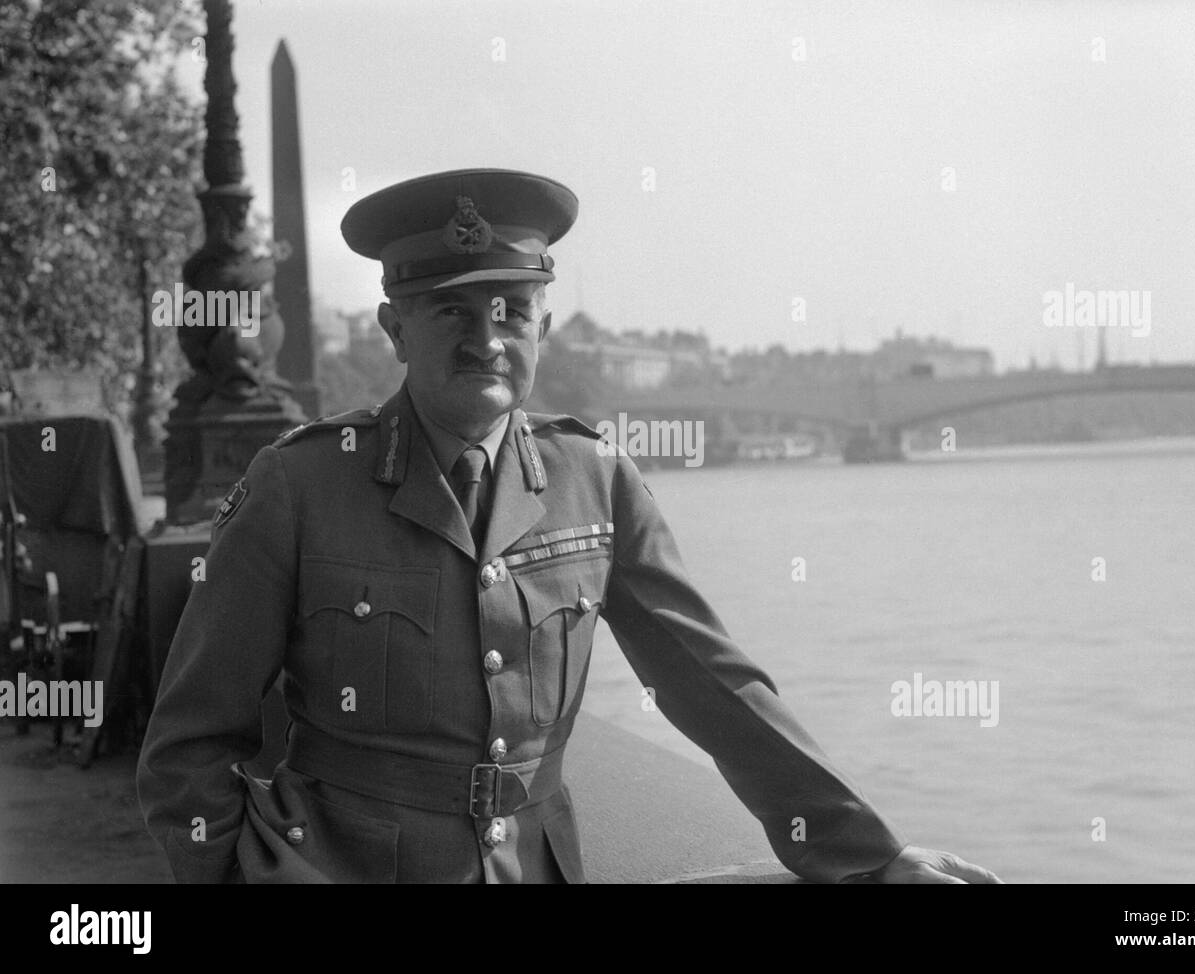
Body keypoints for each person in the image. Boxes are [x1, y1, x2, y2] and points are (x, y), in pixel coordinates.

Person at [137, 168, 1001, 884]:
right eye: (453, 313)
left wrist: (870, 859)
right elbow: (189, 746)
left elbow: (713, 689)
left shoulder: (597, 481)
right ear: (396, 329)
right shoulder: (300, 486)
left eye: (512, 310)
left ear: (544, 324)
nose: (488, 339)